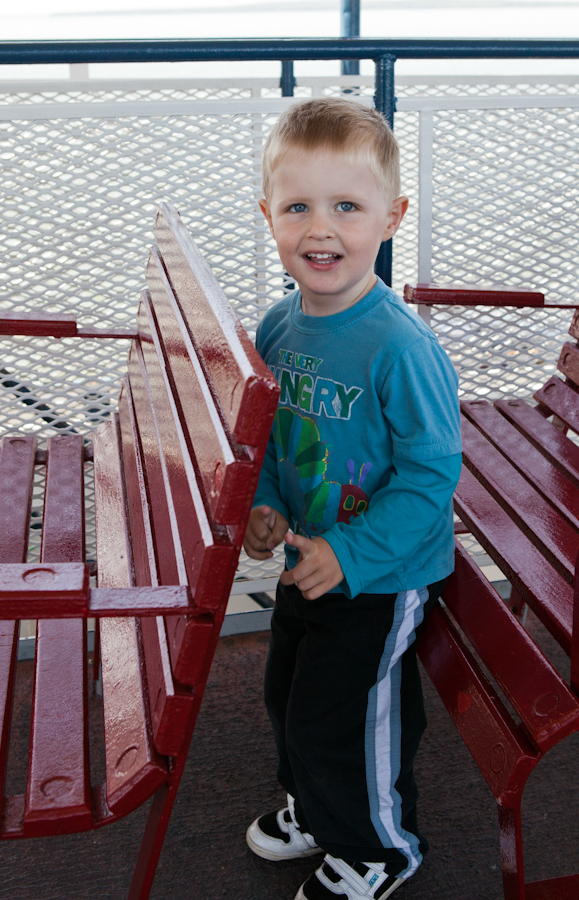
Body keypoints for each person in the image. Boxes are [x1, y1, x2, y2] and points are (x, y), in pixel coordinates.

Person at [243, 97, 462, 900]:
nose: (320, 229)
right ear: (268, 215)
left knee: (349, 716)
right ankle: (318, 806)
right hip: (311, 555)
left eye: (346, 207)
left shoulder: (401, 348)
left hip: (381, 574)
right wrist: (267, 501)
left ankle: (377, 848)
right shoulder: (279, 328)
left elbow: (432, 479)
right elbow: (268, 436)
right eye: (297, 207)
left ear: (392, 216)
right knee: (291, 694)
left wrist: (352, 553)